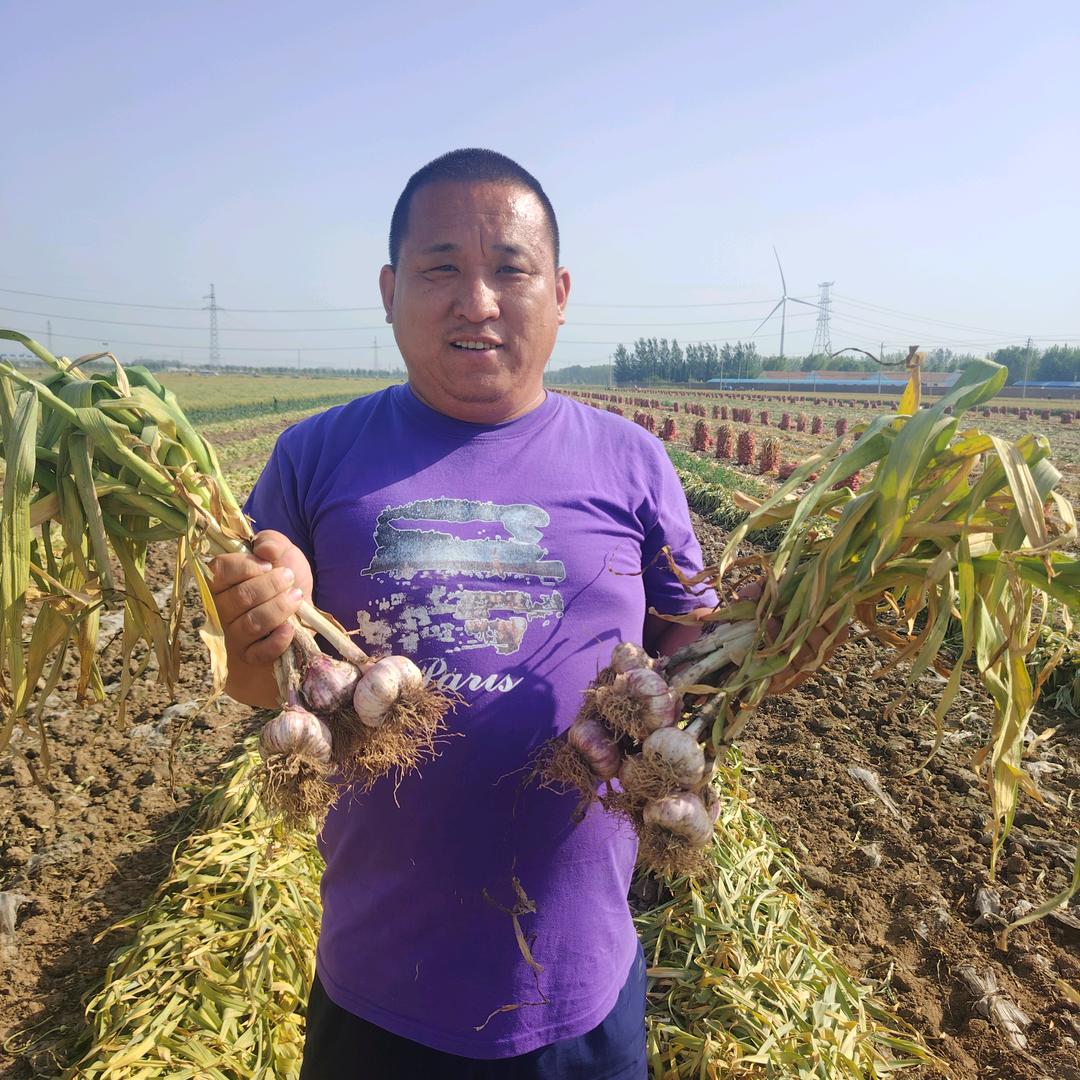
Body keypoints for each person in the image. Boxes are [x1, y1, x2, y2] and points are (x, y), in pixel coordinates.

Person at [208, 148, 717, 1079]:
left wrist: (739, 659)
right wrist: (260, 627)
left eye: (510, 270)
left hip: (581, 994)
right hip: (377, 989)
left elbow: (698, 657)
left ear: (559, 292)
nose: (477, 301)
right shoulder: (313, 457)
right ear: (391, 289)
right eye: (441, 269)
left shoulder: (636, 464)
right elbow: (256, 688)